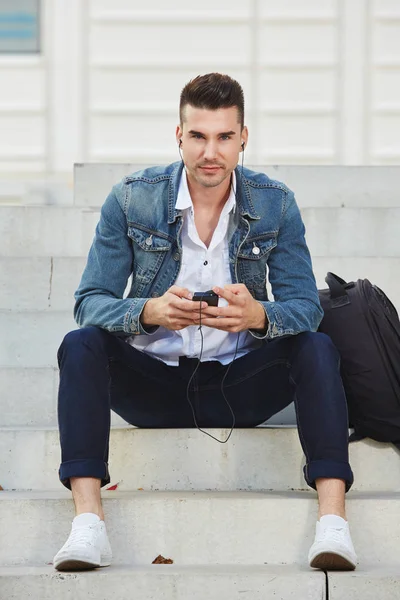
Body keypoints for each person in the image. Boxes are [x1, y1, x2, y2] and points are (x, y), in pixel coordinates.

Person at [54, 73, 357, 572]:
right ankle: (88, 525)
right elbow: (90, 302)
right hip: (154, 385)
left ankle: (333, 524)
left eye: (223, 137)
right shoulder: (132, 198)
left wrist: (259, 317)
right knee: (81, 343)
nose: (210, 152)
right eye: (197, 136)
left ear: (243, 138)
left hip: (239, 385)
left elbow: (306, 307)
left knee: (316, 347)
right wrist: (147, 312)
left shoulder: (275, 202)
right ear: (179, 136)